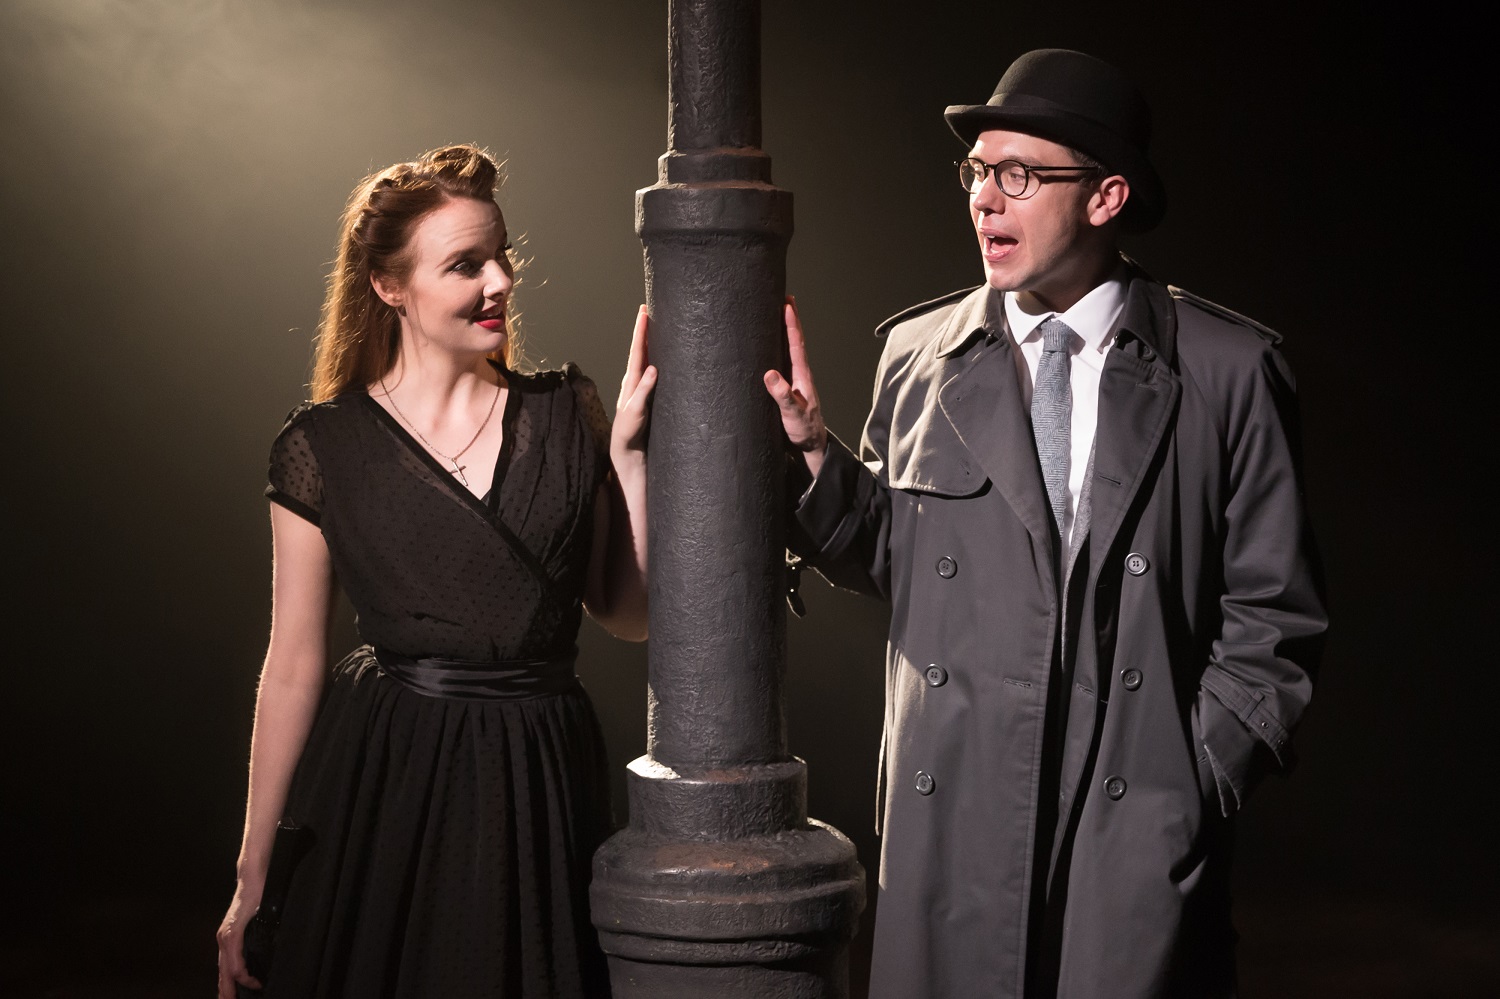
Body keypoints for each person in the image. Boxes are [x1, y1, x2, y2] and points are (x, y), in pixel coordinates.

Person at [765, 49, 1326, 998]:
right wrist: (818, 458)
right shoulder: (917, 355)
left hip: (1128, 816)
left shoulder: (1228, 371)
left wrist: (1190, 777)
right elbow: (897, 556)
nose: (985, 199)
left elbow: (1276, 614)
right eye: (977, 171)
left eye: (1019, 174)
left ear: (1106, 197)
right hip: (955, 814)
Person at [215, 143, 655, 999]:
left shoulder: (567, 412)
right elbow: (294, 663)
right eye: (465, 264)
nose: (500, 281)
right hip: (392, 774)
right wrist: (251, 874)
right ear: (389, 286)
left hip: (538, 771)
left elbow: (627, 615)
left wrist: (630, 461)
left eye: (501, 256)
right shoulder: (321, 447)